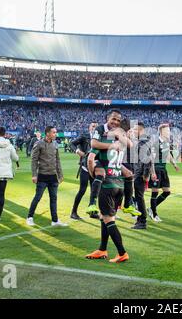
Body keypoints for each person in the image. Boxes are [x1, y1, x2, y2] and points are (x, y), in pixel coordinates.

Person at [85, 121, 130, 263]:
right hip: (119, 185)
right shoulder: (120, 145)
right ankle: (102, 249)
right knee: (105, 218)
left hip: (107, 186)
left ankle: (122, 252)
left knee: (109, 220)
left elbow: (90, 159)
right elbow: (126, 171)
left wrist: (93, 175)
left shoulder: (103, 144)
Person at [86, 110, 124, 216]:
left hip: (108, 162)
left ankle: (128, 203)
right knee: (99, 177)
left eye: (118, 120)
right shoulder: (100, 129)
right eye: (113, 119)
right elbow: (94, 144)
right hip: (96, 159)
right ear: (108, 118)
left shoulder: (116, 132)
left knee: (128, 175)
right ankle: (92, 203)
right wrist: (112, 146)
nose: (116, 122)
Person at [27, 126, 67, 227]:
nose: (55, 134)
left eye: (56, 132)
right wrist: (34, 175)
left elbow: (57, 160)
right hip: (42, 175)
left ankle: (55, 220)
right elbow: (34, 160)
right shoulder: (39, 143)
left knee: (53, 199)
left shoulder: (55, 144)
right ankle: (29, 217)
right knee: (38, 197)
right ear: (47, 133)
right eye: (54, 132)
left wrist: (60, 174)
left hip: (53, 176)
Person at [148, 124, 180, 222]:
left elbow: (168, 155)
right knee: (155, 192)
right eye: (167, 131)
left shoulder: (166, 143)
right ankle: (154, 213)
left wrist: (174, 164)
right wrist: (152, 172)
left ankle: (150, 209)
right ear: (161, 132)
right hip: (156, 169)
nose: (169, 133)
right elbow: (151, 159)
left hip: (163, 170)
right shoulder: (155, 143)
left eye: (169, 131)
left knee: (167, 192)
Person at [69, 122, 98, 220]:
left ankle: (92, 212)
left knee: (94, 191)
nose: (95, 128)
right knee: (82, 190)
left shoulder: (99, 137)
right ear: (89, 127)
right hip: (85, 167)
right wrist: (78, 152)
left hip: (95, 167)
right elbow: (71, 144)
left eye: (96, 126)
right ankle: (73, 212)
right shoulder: (84, 136)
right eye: (93, 126)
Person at [132, 122, 156, 230]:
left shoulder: (143, 142)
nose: (133, 131)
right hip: (138, 172)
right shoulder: (141, 142)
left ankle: (142, 221)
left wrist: (145, 175)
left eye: (136, 129)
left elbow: (148, 160)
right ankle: (140, 220)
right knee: (138, 198)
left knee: (139, 198)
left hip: (140, 174)